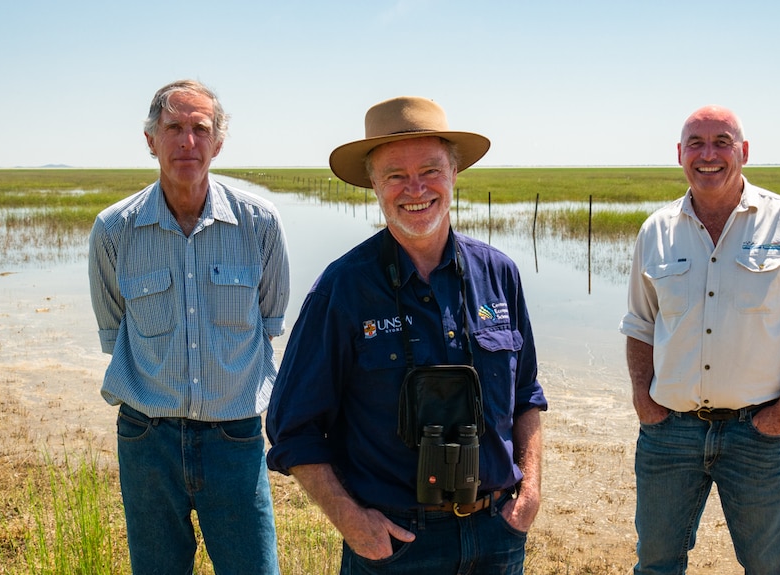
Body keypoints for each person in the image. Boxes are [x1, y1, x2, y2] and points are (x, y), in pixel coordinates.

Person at [266, 96, 547, 574]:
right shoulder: (343, 288)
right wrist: (353, 523)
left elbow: (527, 397)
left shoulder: (499, 274)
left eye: (431, 170)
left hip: (496, 535)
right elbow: (292, 428)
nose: (415, 188)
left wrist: (530, 491)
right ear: (374, 185)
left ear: (455, 173)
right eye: (395, 175)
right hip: (394, 543)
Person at [619, 105, 780, 574]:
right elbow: (640, 326)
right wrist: (643, 399)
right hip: (669, 433)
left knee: (771, 567)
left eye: (722, 142)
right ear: (680, 155)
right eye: (696, 144)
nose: (709, 155)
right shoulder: (656, 231)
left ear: (743, 152)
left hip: (758, 433)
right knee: (656, 563)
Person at [88, 79, 289, 574]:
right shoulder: (113, 230)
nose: (187, 142)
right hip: (146, 441)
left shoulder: (260, 224)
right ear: (150, 139)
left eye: (200, 129)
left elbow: (268, 319)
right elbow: (116, 331)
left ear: (218, 143)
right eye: (173, 127)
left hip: (235, 440)